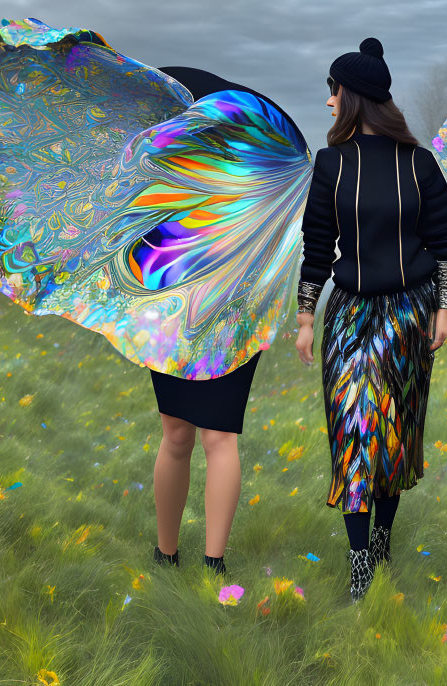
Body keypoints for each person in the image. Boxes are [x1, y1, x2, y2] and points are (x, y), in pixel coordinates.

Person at [294, 38, 447, 601]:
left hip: (409, 315)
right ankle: (360, 560)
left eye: (332, 91)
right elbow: (318, 245)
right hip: (349, 317)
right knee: (353, 432)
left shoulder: (419, 163)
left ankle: (383, 543)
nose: (328, 103)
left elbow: (443, 242)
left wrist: (444, 306)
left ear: (354, 96)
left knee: (393, 433)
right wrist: (306, 317)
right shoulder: (331, 165)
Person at [149, 65, 302, 578]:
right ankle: (165, 552)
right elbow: (150, 251)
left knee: (216, 437)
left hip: (233, 318)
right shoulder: (170, 180)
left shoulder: (260, 182)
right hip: (173, 312)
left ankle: (213, 560)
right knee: (175, 432)